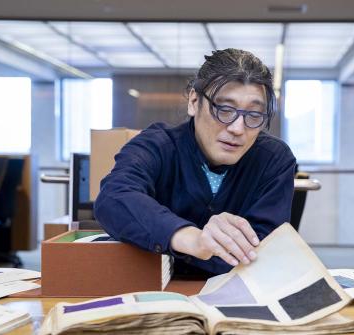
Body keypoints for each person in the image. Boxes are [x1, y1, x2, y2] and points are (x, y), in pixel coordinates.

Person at [94, 48, 296, 277]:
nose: (237, 128)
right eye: (225, 109)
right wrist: (192, 238)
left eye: (254, 115)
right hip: (157, 289)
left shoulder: (274, 159)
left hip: (237, 296)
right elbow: (113, 197)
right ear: (194, 101)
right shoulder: (157, 146)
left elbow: (264, 250)